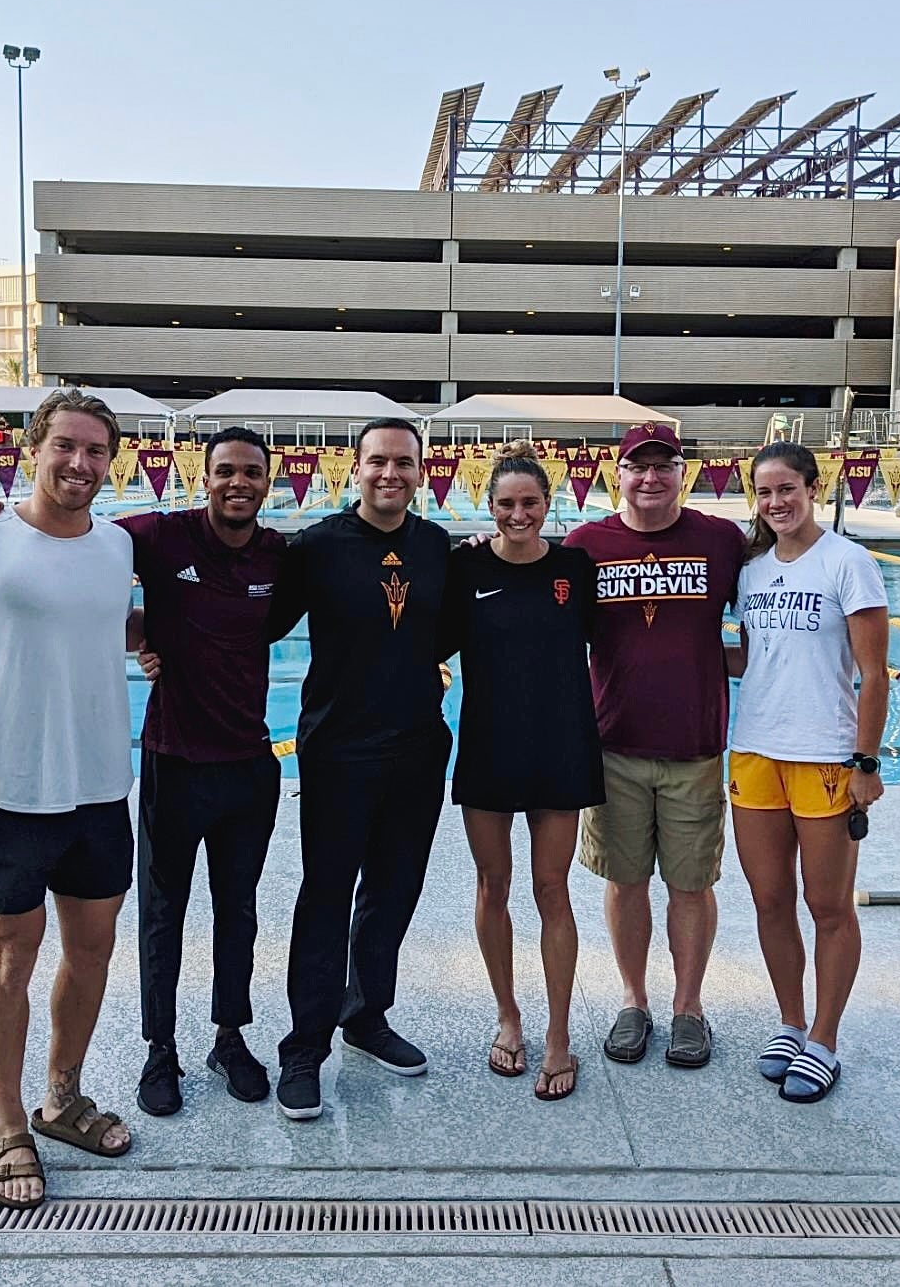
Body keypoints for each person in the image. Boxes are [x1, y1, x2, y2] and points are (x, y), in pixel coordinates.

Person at [0, 389, 138, 1210]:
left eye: (95, 451)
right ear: (32, 449)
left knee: (92, 951)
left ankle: (62, 1097)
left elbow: (107, 619)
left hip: (101, 791)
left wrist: (149, 643)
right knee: (11, 957)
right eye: (66, 447)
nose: (80, 465)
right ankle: (9, 1125)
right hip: (6, 796)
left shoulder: (117, 546)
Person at [267, 417, 451, 1121]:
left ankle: (366, 1014)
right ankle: (304, 1044)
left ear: (420, 471)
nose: (390, 474)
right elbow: (250, 619)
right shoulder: (315, 548)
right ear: (356, 468)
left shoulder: (437, 549)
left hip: (416, 748)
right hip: (339, 749)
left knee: (394, 890)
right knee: (325, 896)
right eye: (378, 461)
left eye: (404, 463)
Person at [566, 422, 744, 1070]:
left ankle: (689, 1008)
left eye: (662, 466)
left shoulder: (720, 540)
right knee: (625, 879)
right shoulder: (585, 545)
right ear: (618, 475)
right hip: (613, 745)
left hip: (695, 747)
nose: (649, 478)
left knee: (691, 884)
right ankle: (634, 1001)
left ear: (682, 473)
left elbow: (771, 602)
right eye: (637, 468)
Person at [121, 427, 287, 1116]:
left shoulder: (281, 554)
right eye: (225, 472)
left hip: (248, 764)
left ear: (267, 482)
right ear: (205, 476)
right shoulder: (159, 536)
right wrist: (140, 637)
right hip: (175, 762)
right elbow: (68, 542)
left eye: (251, 473)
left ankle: (229, 1035)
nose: (238, 483)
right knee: (163, 913)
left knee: (237, 911)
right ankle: (160, 1047)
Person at [727, 441, 888, 1105]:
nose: (776, 503)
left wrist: (866, 762)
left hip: (825, 755)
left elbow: (874, 673)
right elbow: (752, 660)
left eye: (787, 489)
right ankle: (790, 1022)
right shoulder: (752, 573)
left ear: (813, 488)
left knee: (827, 906)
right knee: (769, 902)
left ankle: (825, 1037)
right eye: (764, 493)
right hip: (755, 750)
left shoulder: (848, 562)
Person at [441, 441, 599, 1101]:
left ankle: (559, 1035)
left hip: (560, 745)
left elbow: (620, 642)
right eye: (505, 504)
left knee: (550, 888)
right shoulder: (464, 568)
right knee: (493, 882)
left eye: (529, 502)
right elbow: (415, 638)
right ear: (489, 505)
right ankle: (509, 1016)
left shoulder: (575, 567)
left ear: (547, 501)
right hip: (488, 744)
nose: (517, 514)